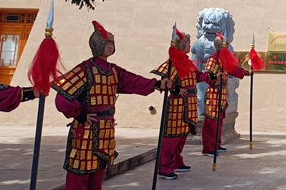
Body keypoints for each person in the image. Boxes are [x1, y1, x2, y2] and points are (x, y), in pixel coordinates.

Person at [52, 21, 170, 190]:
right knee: (79, 175)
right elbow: (62, 98)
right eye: (106, 42)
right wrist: (80, 115)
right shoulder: (85, 69)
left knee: (98, 177)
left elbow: (132, 81)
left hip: (105, 131)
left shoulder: (113, 70)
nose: (110, 46)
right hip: (86, 131)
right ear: (97, 44)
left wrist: (157, 84)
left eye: (112, 43)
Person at [152, 29, 212, 180]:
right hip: (177, 106)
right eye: (188, 43)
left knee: (181, 137)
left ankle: (177, 162)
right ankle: (164, 168)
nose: (190, 45)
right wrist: (176, 89)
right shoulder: (173, 63)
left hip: (189, 104)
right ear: (181, 44)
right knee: (171, 138)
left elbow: (197, 76)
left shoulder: (187, 62)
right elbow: (165, 82)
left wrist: (209, 76)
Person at [201, 33, 247, 156]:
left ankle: (216, 144)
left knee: (219, 121)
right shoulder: (213, 59)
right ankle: (208, 147)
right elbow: (208, 75)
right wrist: (215, 78)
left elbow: (233, 70)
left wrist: (246, 73)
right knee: (211, 122)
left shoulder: (223, 59)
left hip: (222, 93)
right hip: (213, 93)